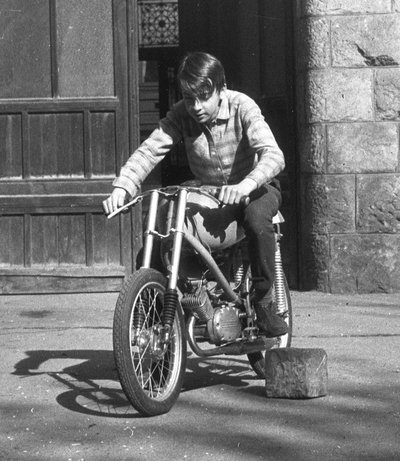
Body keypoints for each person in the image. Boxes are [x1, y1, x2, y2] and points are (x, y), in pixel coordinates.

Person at [103, 51, 287, 337]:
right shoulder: (182, 114)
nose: (196, 107)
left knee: (256, 218)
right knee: (164, 231)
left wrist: (245, 185)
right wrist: (123, 185)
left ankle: (264, 303)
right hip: (211, 192)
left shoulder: (242, 106)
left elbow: (273, 155)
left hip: (255, 187)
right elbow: (150, 150)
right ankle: (157, 322)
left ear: (221, 90)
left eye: (204, 97)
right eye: (190, 98)